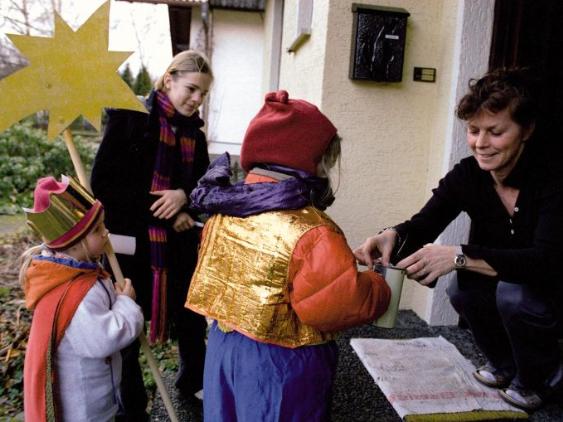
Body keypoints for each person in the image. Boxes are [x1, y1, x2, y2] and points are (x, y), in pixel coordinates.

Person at [354, 67, 563, 411]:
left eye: (496, 132)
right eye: (474, 130)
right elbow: (424, 223)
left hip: (551, 287)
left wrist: (459, 255)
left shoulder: (552, 178)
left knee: (512, 293)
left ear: (526, 130)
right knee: (462, 287)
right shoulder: (469, 175)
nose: (481, 143)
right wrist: (389, 235)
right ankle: (505, 364)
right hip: (517, 283)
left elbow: (545, 261)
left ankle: (542, 375)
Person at [185, 90, 391, 421]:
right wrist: (377, 284)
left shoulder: (224, 212)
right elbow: (337, 304)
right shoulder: (313, 231)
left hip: (224, 349)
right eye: (327, 163)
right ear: (310, 164)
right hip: (282, 364)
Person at [90, 49, 213, 419]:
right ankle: (132, 409)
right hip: (133, 248)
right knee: (128, 328)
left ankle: (192, 383)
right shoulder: (130, 119)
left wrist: (184, 199)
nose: (196, 99)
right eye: (191, 89)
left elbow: (206, 186)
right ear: (169, 78)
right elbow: (103, 184)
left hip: (178, 246)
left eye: (203, 94)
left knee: (191, 318)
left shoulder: (197, 137)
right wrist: (161, 210)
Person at [20, 175, 144, 421]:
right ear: (76, 244)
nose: (106, 233)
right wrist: (126, 303)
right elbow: (103, 339)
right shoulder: (77, 294)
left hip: (94, 397)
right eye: (98, 230)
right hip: (85, 408)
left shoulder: (76, 271)